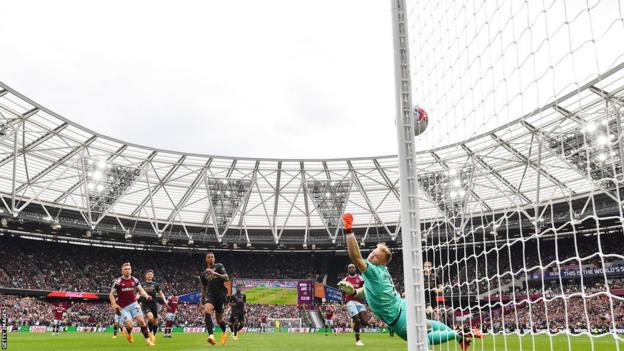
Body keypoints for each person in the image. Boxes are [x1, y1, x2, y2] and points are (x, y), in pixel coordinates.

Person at [337, 213, 482, 350]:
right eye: (373, 252)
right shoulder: (382, 271)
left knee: (423, 339)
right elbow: (371, 292)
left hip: (397, 316)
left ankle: (458, 334)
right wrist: (355, 292)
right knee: (428, 323)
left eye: (375, 256)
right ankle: (460, 338)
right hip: (402, 305)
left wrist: (348, 229)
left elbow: (355, 256)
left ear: (382, 263)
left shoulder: (374, 271)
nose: (371, 255)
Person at [109, 262, 155, 346]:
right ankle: (129, 333)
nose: (127, 271)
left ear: (131, 270)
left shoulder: (134, 279)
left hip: (134, 304)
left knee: (142, 321)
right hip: (123, 307)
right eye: (125, 269)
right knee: (130, 325)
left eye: (129, 269)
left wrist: (147, 296)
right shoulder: (118, 282)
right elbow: (111, 294)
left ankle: (148, 341)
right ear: (122, 271)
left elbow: (141, 290)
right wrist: (114, 304)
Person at [200, 251, 230, 345]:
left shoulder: (219, 266)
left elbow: (226, 277)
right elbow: (204, 288)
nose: (210, 258)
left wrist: (214, 273)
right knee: (207, 311)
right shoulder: (203, 274)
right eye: (208, 257)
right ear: (206, 259)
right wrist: (202, 301)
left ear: (214, 258)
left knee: (219, 320)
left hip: (221, 295)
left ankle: (224, 332)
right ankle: (211, 335)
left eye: (212, 257)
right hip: (211, 296)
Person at [341, 263, 369, 346]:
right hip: (350, 301)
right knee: (356, 320)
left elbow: (365, 289)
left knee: (365, 322)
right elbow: (342, 293)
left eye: (353, 267)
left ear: (355, 269)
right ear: (348, 269)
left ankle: (355, 322)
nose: (352, 268)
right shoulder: (345, 280)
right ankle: (358, 339)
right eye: (350, 267)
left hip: (360, 302)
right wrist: (343, 304)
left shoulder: (360, 278)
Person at [139, 270, 167, 343]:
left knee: (155, 322)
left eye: (151, 274)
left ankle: (153, 335)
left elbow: (161, 293)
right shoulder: (142, 284)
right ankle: (150, 333)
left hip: (153, 304)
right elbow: (138, 293)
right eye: (148, 274)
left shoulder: (156, 284)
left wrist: (164, 300)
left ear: (153, 276)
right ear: (146, 276)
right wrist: (137, 298)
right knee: (150, 318)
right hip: (145, 304)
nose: (150, 275)